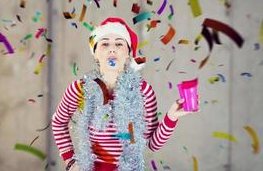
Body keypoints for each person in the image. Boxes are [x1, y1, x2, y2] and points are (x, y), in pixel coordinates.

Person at [52, 17, 195, 171]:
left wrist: (171, 117)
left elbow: (153, 144)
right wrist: (70, 162)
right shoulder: (80, 88)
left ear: (128, 53)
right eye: (105, 43)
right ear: (95, 53)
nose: (112, 49)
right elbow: (58, 122)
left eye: (119, 44)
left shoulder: (143, 91)